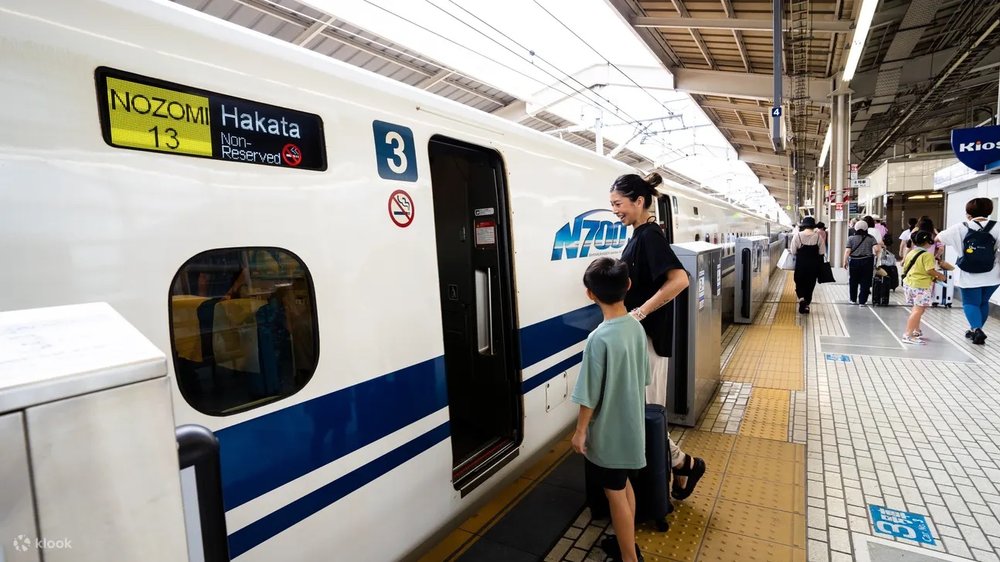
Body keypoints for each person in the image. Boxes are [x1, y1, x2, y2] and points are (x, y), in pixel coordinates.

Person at [610, 172, 706, 500]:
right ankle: (677, 471)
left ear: (639, 201)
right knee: (641, 412)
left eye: (619, 204)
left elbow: (680, 280)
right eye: (612, 205)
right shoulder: (638, 234)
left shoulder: (650, 235)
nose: (615, 211)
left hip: (649, 339)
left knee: (645, 414)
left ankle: (679, 469)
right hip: (641, 339)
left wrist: (639, 313)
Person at [571, 257, 650, 562]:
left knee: (614, 492)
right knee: (623, 484)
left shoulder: (598, 339)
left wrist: (580, 433)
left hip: (608, 433)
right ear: (628, 286)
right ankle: (625, 544)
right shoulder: (635, 326)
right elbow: (644, 377)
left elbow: (588, 396)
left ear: (590, 294)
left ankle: (629, 557)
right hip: (632, 426)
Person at [936, 198, 1000, 345]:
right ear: (989, 211)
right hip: (993, 273)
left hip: (969, 273)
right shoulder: (998, 227)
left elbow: (939, 238)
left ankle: (977, 329)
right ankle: (975, 330)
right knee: (983, 302)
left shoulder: (961, 227)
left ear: (968, 212)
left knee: (971, 303)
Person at [900, 231, 946, 344]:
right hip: (921, 285)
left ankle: (916, 330)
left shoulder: (911, 252)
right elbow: (929, 270)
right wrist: (940, 276)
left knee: (917, 309)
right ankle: (908, 335)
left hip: (909, 284)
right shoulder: (927, 255)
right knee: (918, 310)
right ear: (928, 241)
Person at [789, 216, 825, 313]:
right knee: (810, 284)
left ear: (804, 226)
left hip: (801, 265)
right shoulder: (818, 237)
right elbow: (822, 253)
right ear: (813, 226)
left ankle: (801, 300)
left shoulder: (798, 236)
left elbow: (793, 251)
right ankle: (807, 305)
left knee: (799, 282)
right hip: (813, 266)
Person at [844, 220, 880, 306]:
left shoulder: (851, 238)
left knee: (853, 280)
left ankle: (853, 299)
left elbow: (847, 251)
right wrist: (876, 258)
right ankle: (862, 301)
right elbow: (877, 249)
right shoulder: (871, 238)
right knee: (865, 281)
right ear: (866, 228)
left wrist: (844, 261)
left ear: (855, 228)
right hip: (867, 261)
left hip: (854, 261)